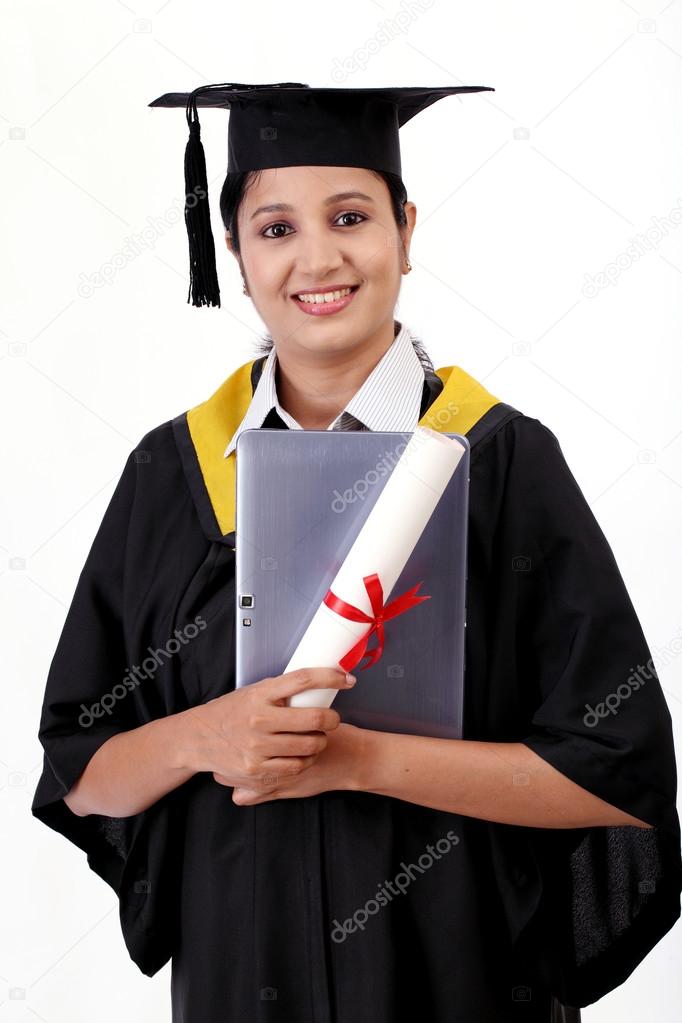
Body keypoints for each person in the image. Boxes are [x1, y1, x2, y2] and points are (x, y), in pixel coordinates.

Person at [32, 83, 681, 1023]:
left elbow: (616, 775)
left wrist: (361, 760)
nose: (318, 257)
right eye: (275, 227)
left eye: (351, 216)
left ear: (406, 232)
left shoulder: (498, 461)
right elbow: (83, 772)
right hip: (237, 983)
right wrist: (207, 736)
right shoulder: (173, 474)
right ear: (235, 252)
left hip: (456, 981)